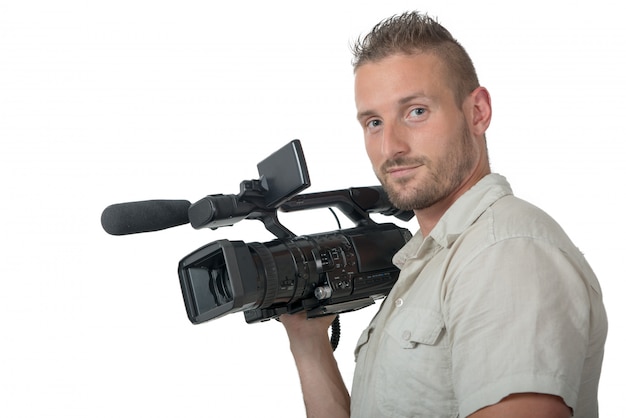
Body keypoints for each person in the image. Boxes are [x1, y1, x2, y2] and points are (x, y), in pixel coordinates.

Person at [280, 11, 608, 418]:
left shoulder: (504, 253)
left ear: (478, 112)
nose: (390, 147)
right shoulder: (430, 263)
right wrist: (308, 341)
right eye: (374, 122)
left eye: (416, 111)